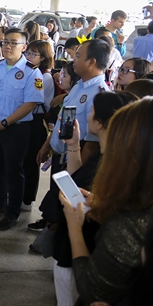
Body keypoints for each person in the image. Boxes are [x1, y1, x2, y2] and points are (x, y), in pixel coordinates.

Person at [47, 91, 138, 305]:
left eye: (92, 111)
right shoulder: (102, 154)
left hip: (84, 251)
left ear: (101, 121)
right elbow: (77, 178)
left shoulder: (115, 165)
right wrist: (73, 144)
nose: (87, 116)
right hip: (75, 245)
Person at [34, 39, 112, 229]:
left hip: (77, 157)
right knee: (55, 202)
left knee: (64, 207)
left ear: (92, 62)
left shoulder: (99, 94)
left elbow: (92, 143)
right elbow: (63, 118)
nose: (73, 59)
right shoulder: (79, 86)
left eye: (78, 56)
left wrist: (75, 176)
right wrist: (47, 145)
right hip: (62, 153)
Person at [0, 28, 44, 231]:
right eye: (5, 42)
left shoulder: (32, 71)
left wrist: (6, 122)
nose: (7, 46)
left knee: (14, 171)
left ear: (24, 47)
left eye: (13, 43)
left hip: (16, 128)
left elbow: (31, 104)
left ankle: (12, 212)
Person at [22, 40, 55, 211]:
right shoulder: (29, 71)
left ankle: (27, 199)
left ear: (43, 57)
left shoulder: (45, 76)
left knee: (30, 162)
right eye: (27, 52)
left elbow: (31, 99)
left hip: (36, 122)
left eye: (33, 54)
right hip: (25, 120)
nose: (28, 56)